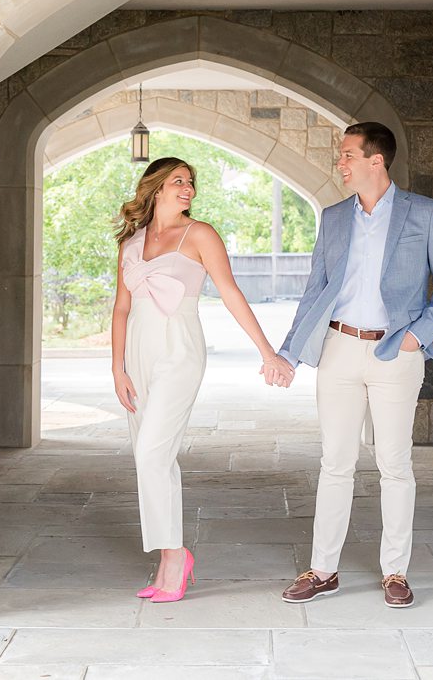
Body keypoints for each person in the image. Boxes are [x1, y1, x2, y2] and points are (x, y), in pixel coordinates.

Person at [276, 122, 433, 609]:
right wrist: (288, 352)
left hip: (395, 351)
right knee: (335, 463)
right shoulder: (334, 217)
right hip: (339, 348)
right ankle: (323, 570)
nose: (340, 164)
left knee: (394, 465)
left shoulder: (425, 214)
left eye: (347, 156)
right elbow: (315, 291)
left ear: (375, 161)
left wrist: (418, 336)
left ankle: (396, 572)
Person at [111, 156, 295, 603]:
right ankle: (166, 556)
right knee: (150, 455)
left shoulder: (200, 235)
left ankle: (175, 556)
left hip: (180, 351)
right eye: (179, 181)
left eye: (191, 182)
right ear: (155, 187)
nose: (188, 188)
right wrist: (117, 369)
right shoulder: (131, 242)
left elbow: (230, 292)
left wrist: (267, 352)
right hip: (137, 352)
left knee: (152, 453)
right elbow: (120, 308)